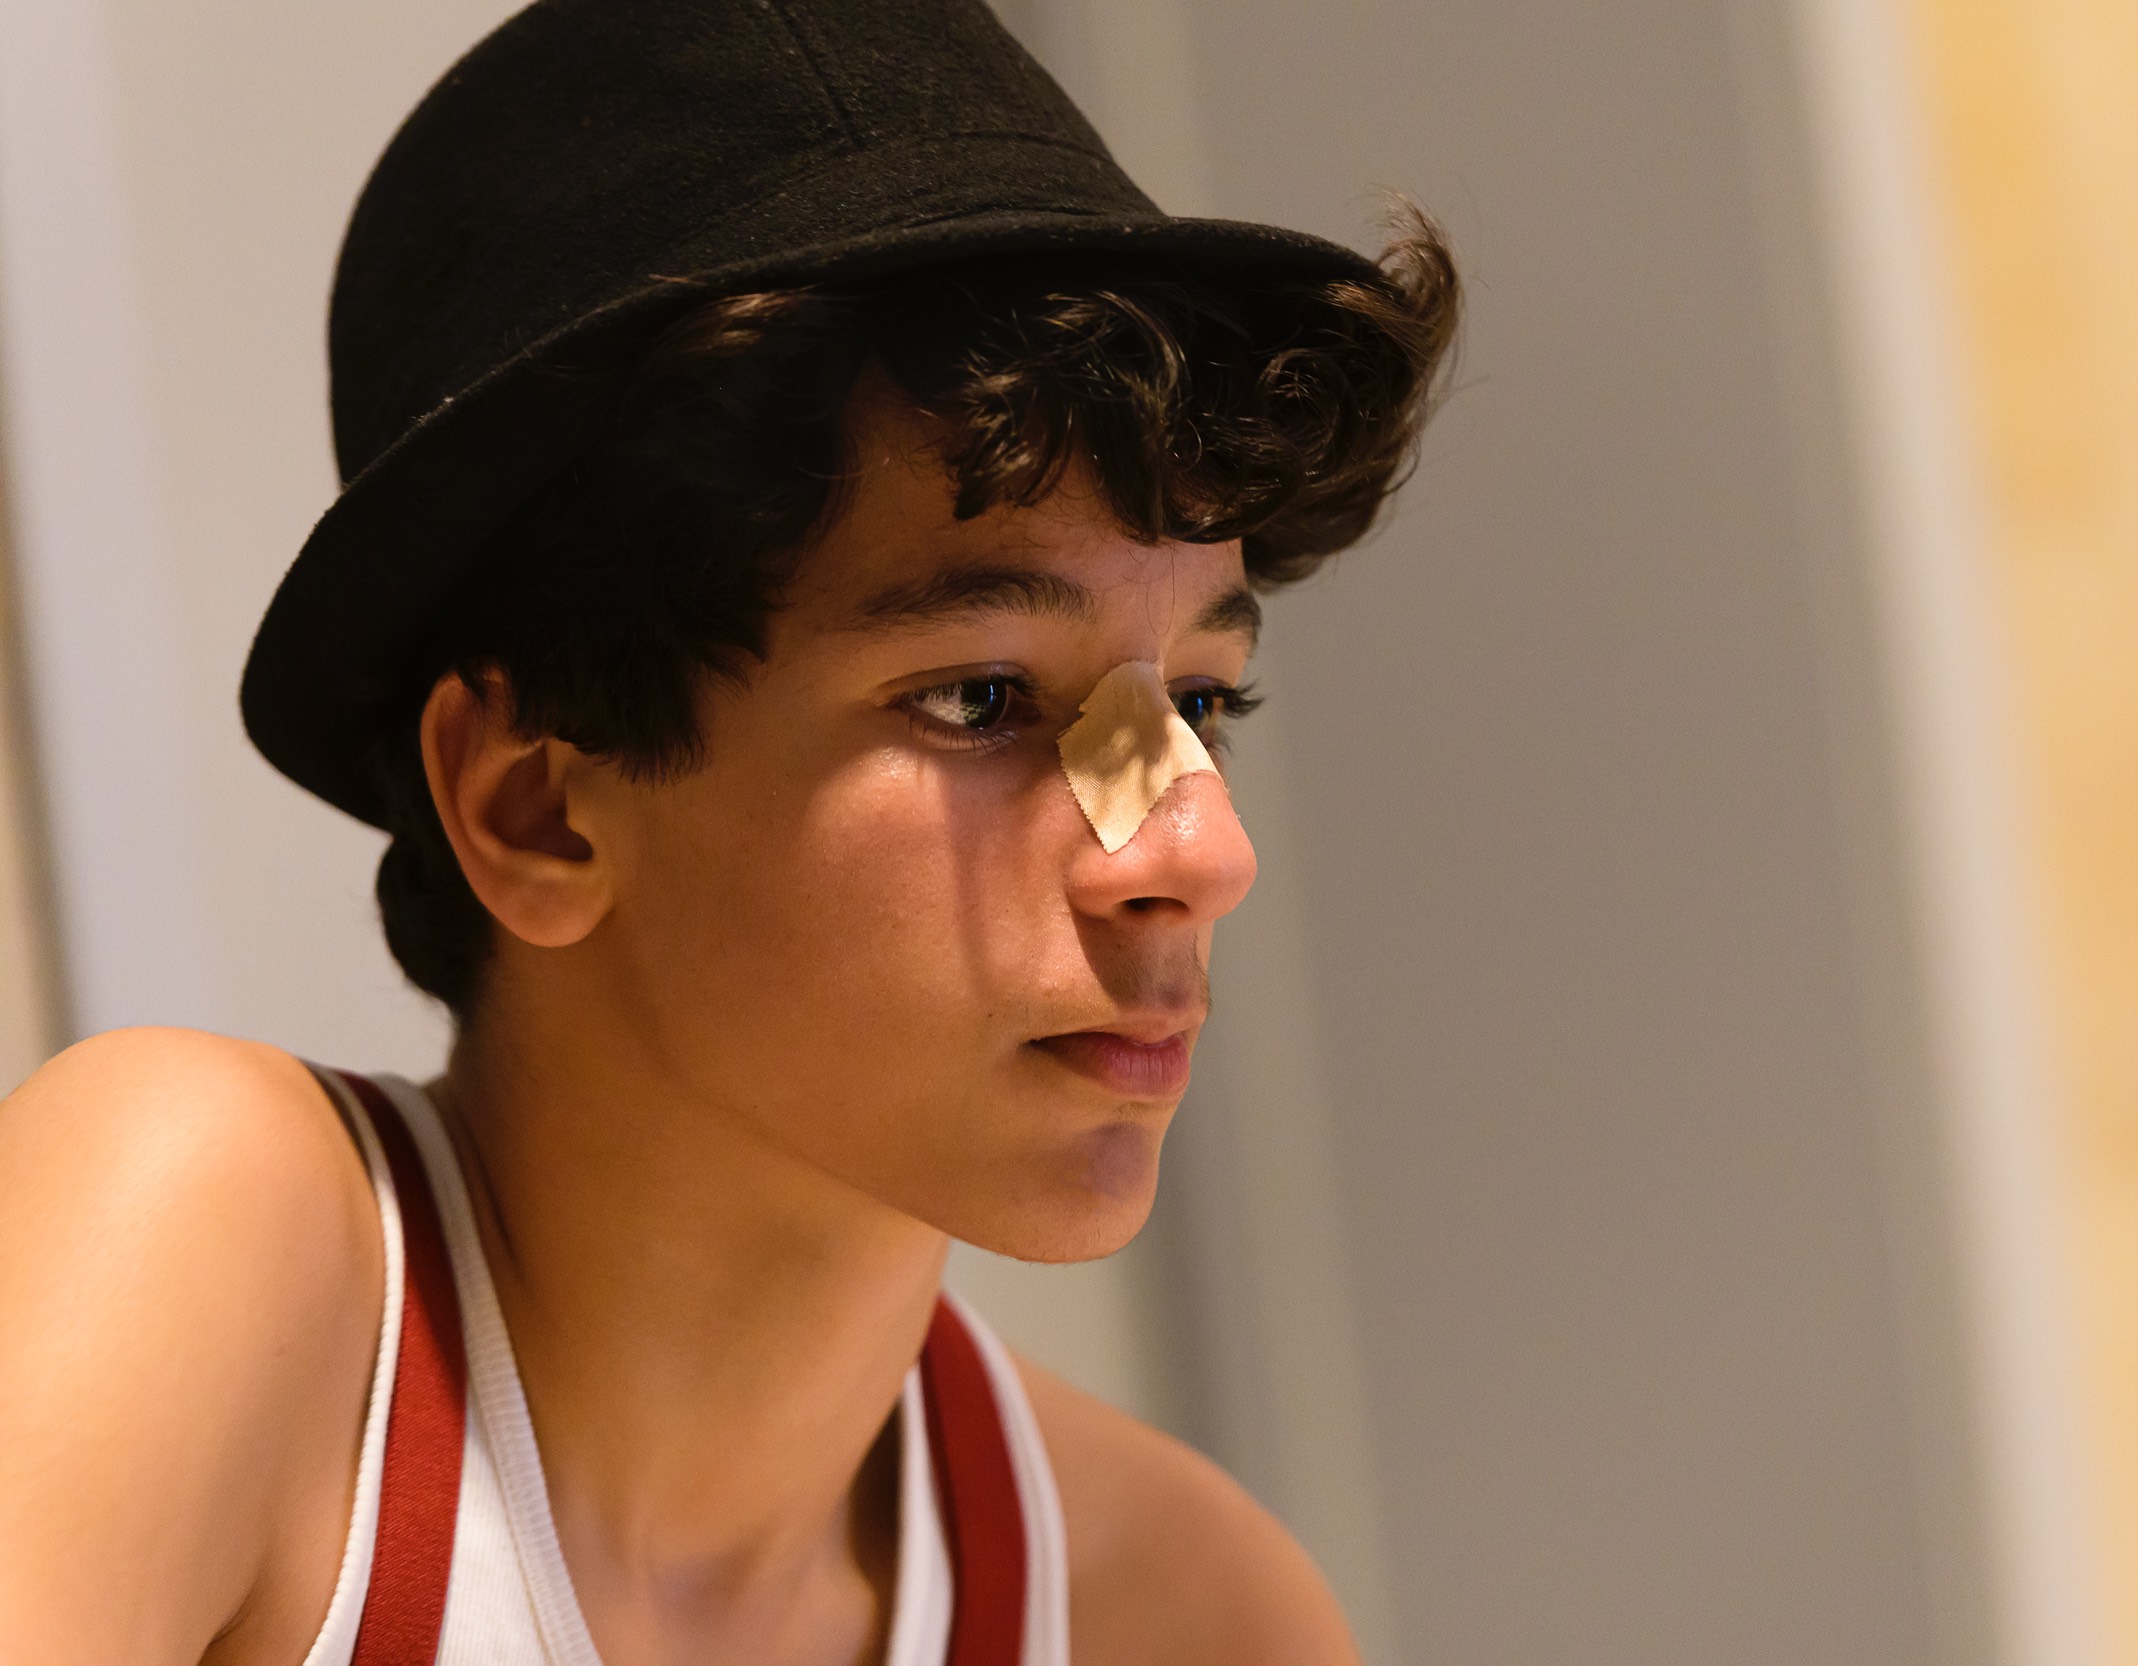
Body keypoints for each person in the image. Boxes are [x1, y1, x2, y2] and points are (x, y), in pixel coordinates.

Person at [0, 2, 1456, 1663]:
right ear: (536, 804)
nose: (1194, 850)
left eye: (1197, 700)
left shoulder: (1182, 1614)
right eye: (981, 696)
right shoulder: (208, 1245)